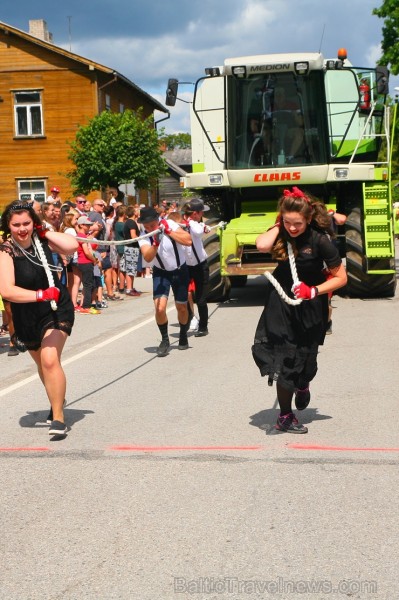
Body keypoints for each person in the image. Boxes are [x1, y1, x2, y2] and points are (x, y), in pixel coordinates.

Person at [252, 187, 347, 434]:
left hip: (310, 304)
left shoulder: (319, 240)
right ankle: (285, 416)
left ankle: (303, 385)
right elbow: (261, 245)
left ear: (308, 219)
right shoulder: (282, 233)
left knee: (307, 362)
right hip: (281, 304)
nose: (292, 228)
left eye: (297, 223)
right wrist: (277, 225)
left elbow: (341, 277)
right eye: (287, 222)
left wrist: (313, 291)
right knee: (285, 359)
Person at [0, 200, 79, 435]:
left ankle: (58, 418)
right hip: (27, 313)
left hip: (55, 308)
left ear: (33, 223)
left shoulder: (43, 240)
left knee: (49, 358)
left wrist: (46, 231)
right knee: (42, 365)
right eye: (16, 225)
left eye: (27, 223)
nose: (22, 229)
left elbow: (72, 246)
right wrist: (40, 294)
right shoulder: (6, 251)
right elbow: (7, 290)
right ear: (8, 226)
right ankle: (58, 400)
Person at [137, 206, 192, 357]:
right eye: (146, 226)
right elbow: (147, 257)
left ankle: (182, 334)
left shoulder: (170, 224)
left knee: (181, 307)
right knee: (159, 308)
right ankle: (165, 339)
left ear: (158, 220)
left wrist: (169, 232)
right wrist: (155, 242)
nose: (149, 228)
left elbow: (188, 241)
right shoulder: (143, 236)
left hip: (180, 270)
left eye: (152, 225)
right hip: (160, 272)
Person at [182, 198, 211, 337]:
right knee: (184, 295)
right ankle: (189, 319)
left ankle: (203, 326)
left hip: (200, 265)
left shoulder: (194, 224)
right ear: (195, 213)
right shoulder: (183, 223)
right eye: (201, 213)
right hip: (186, 266)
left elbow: (198, 232)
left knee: (200, 298)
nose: (202, 216)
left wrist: (201, 225)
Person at [75, 215, 101, 314]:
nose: (89, 227)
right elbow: (86, 252)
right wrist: (94, 259)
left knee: (88, 284)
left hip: (84, 262)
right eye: (87, 225)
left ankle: (86, 305)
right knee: (88, 285)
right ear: (81, 225)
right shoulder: (81, 236)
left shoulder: (82, 235)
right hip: (85, 262)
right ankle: (86, 306)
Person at [123, 205, 141, 296]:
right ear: (134, 213)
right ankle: (129, 288)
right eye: (136, 210)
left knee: (132, 268)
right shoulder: (131, 223)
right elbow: (133, 236)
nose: (138, 211)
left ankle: (131, 287)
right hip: (131, 248)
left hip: (131, 247)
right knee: (130, 268)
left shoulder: (130, 222)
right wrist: (142, 239)